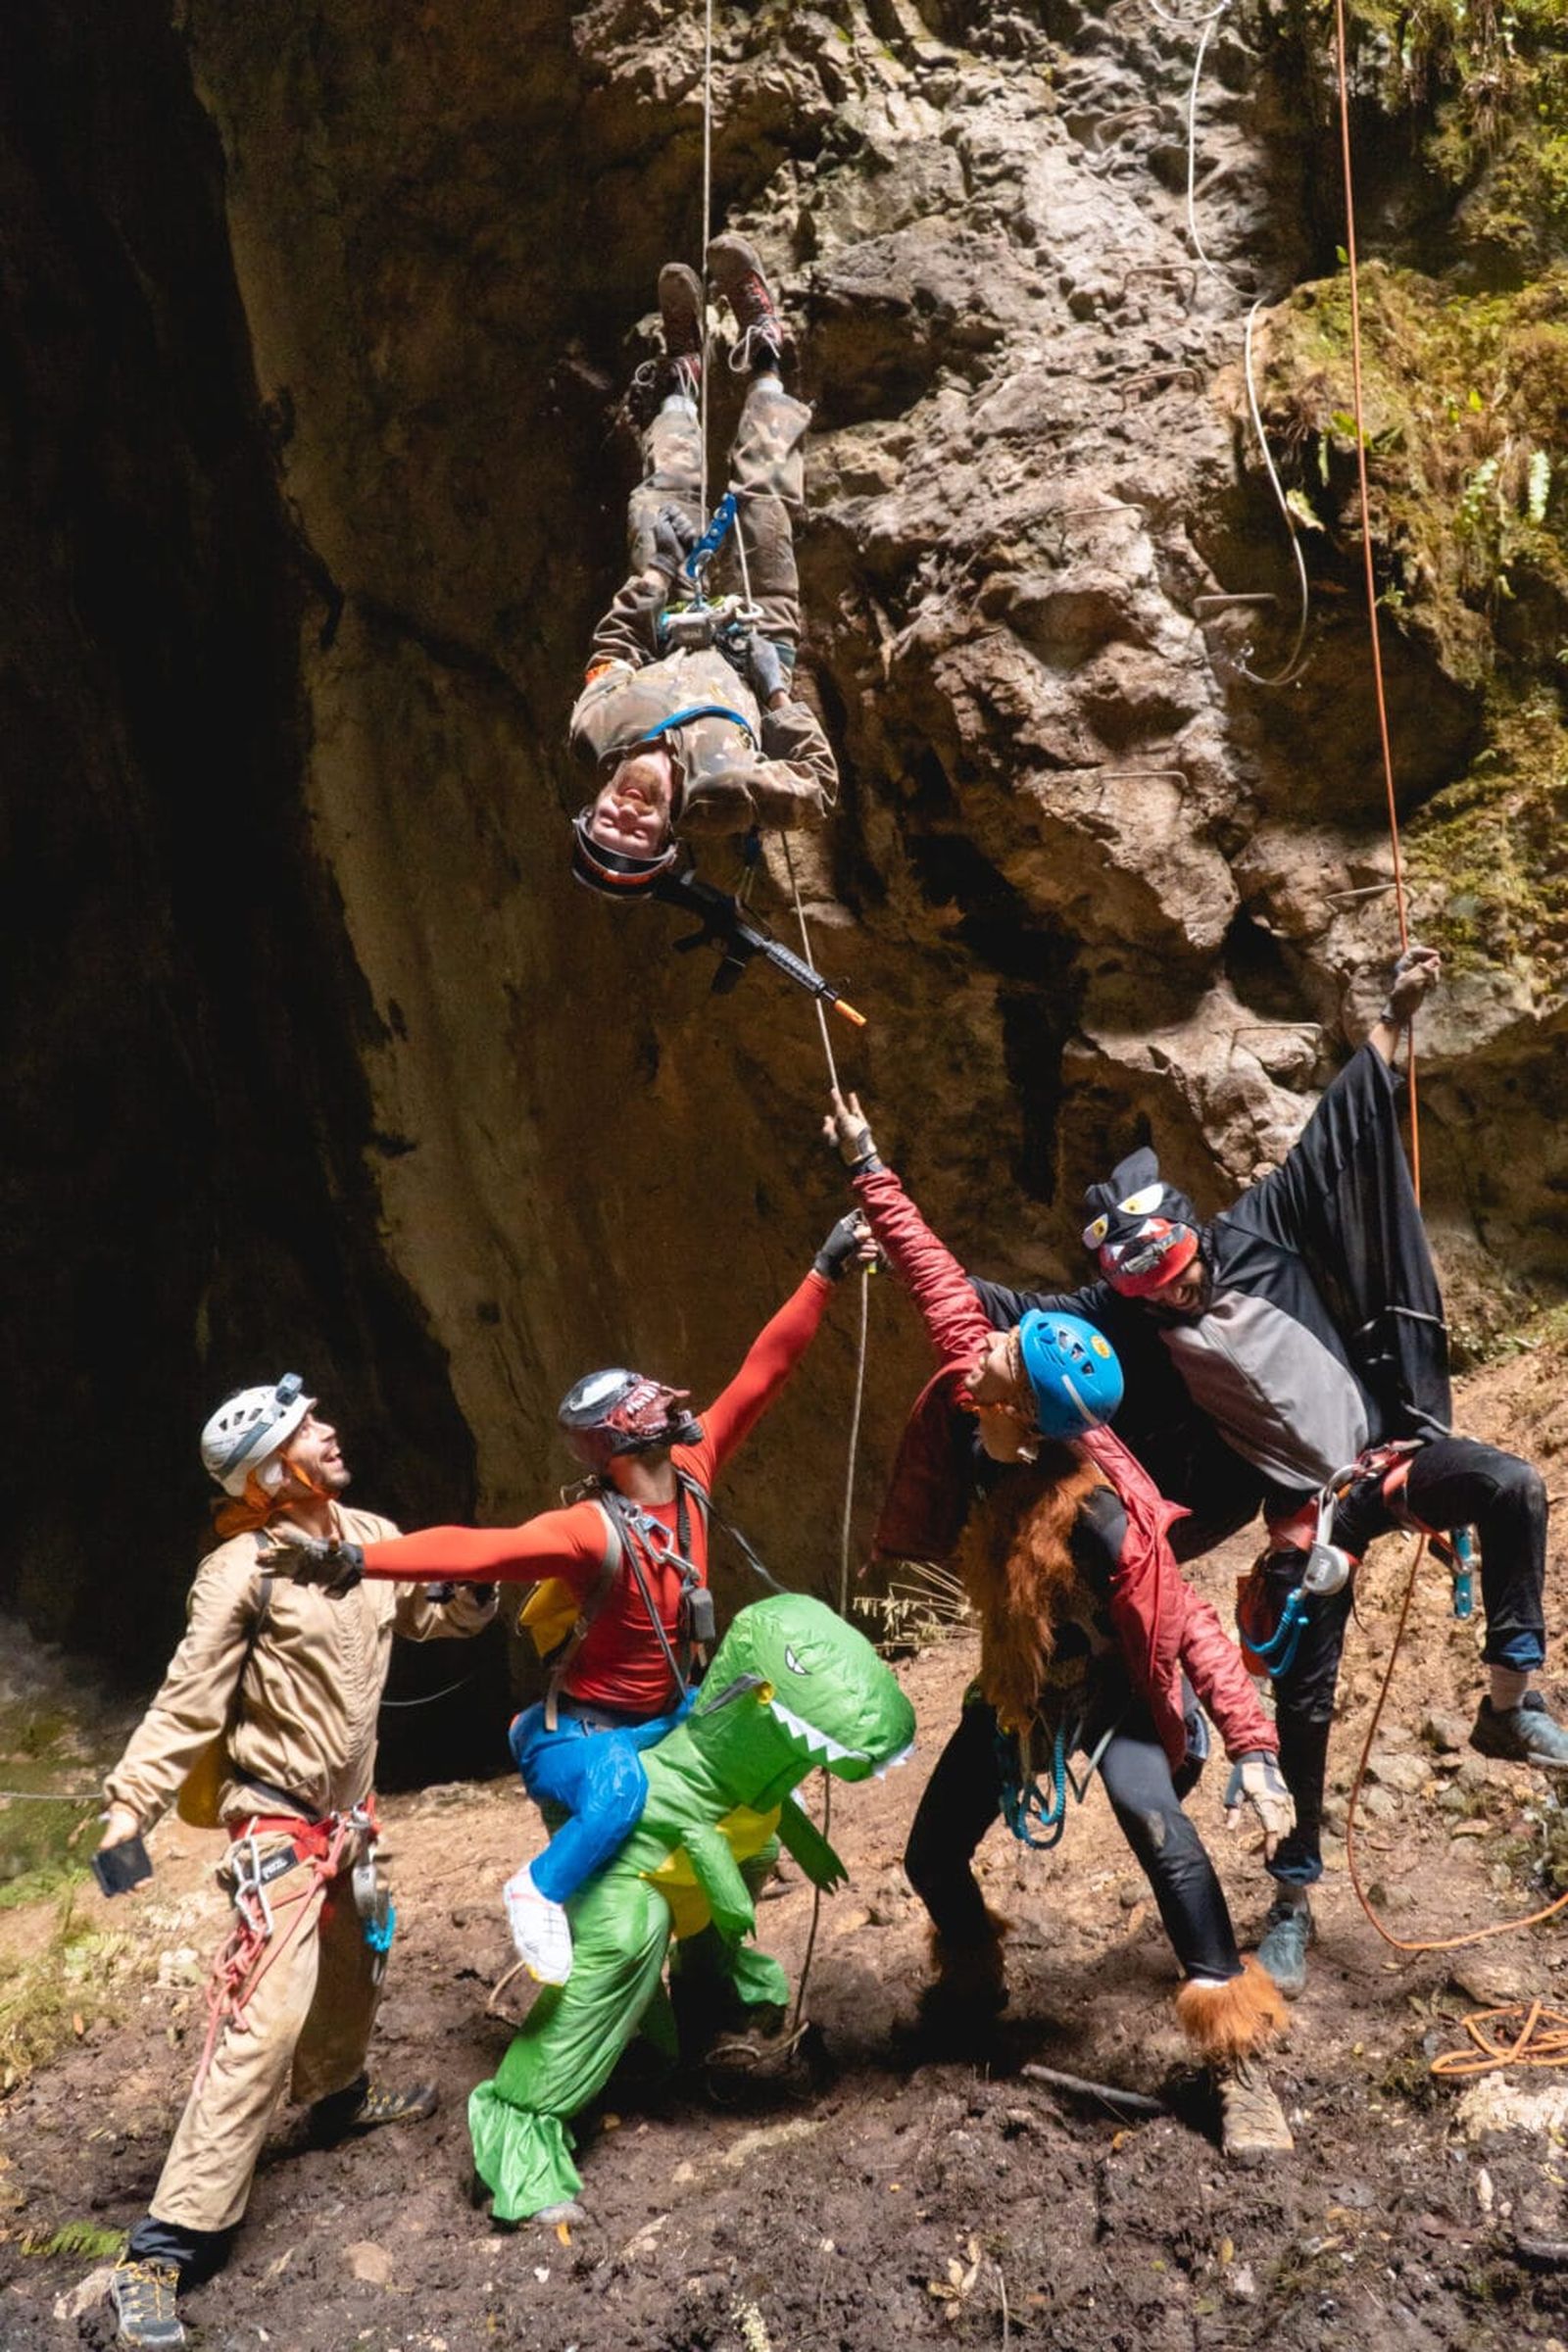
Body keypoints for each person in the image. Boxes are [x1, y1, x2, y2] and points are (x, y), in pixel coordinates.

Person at [975, 942, 1568, 1999]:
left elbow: (1334, 1134)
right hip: (1308, 1513)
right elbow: (1020, 1313)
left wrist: (1392, 1016)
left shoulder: (1261, 1231)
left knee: (1512, 1486)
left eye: (1174, 1276)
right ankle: (1293, 1895)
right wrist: (902, 1240)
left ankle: (1507, 1697)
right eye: (1147, 1292)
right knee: (1302, 1703)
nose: (1170, 1299)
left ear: (1195, 1238)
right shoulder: (1124, 1313)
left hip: (1385, 1455)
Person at [823, 1095, 1298, 2161]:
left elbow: (1184, 1624)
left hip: (1125, 1685)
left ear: (1020, 1406)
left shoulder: (1094, 1509)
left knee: (1150, 1817)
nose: (981, 1347)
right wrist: (868, 1163)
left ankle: (1240, 2068)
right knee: (931, 1854)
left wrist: (1254, 1752)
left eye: (999, 1356)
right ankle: (972, 1991)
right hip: (1027, 1686)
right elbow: (944, 1289)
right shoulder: (988, 1397)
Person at [344, 1213, 873, 1989]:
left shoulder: (694, 1469)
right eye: (646, 1405)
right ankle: (539, 1889)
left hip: (670, 1719)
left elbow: (764, 1372)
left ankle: (712, 1984)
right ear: (621, 1437)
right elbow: (476, 1548)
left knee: (750, 1830)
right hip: (584, 1740)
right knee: (622, 1814)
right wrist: (359, 1559)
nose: (670, 1404)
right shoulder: (589, 1532)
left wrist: (823, 1271)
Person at [95, 1377, 496, 2350]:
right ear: (271, 1471)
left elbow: (431, 1614)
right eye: (306, 1428)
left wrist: (479, 1587)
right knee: (261, 2021)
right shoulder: (240, 1571)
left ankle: (340, 2095)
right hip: (277, 1825)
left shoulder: (371, 1531)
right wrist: (128, 1805)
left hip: (349, 1821)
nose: (330, 1430)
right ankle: (162, 2250)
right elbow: (189, 1696)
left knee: (354, 1961)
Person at [568, 234, 836, 896]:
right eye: (637, 833)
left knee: (656, 500)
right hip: (756, 630)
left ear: (594, 804)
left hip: (676, 608)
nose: (626, 814)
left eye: (608, 822)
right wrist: (777, 694)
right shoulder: (729, 799)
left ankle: (681, 374)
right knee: (761, 496)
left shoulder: (594, 731)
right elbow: (818, 787)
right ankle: (769, 351)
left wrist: (654, 577)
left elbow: (616, 644)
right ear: (665, 834)